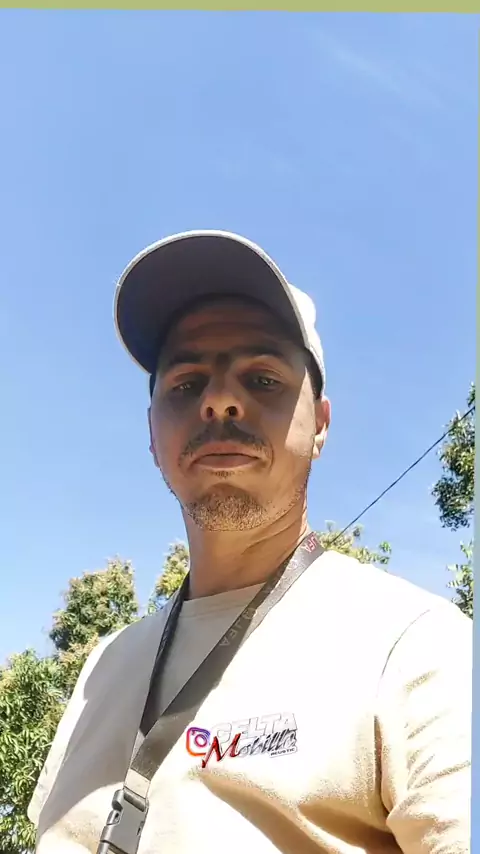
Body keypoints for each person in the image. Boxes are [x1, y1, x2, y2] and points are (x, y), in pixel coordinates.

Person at [29, 230, 471, 854]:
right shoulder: (102, 668)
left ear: (320, 425)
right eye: (186, 384)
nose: (219, 401)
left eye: (262, 379)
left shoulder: (418, 645)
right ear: (152, 435)